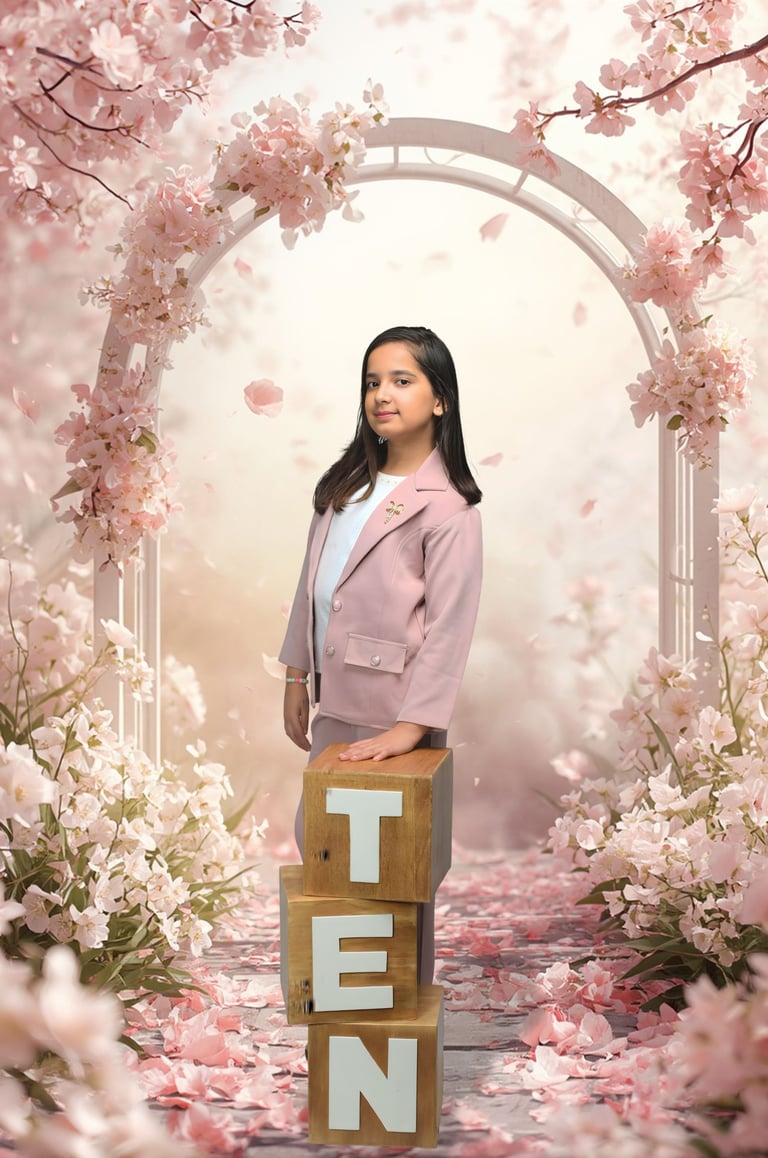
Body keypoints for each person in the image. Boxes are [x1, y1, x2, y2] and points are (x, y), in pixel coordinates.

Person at [279, 324, 482, 982]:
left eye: (402, 380)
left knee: (395, 866)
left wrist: (411, 727)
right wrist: (294, 672)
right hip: (335, 703)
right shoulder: (343, 487)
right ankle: (342, 1004)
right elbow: (310, 587)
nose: (381, 395)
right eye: (372, 381)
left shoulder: (447, 508)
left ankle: (391, 1008)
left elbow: (451, 626)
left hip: (396, 711)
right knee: (323, 843)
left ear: (440, 399)